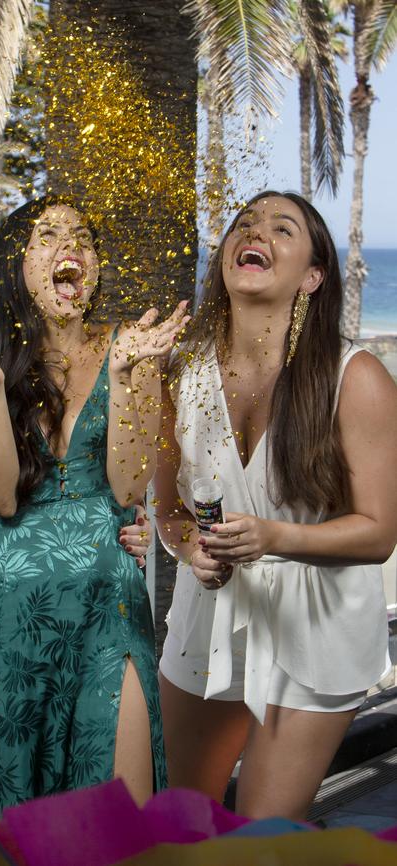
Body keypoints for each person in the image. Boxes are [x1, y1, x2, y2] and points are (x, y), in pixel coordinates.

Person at [0, 197, 189, 817]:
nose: (71, 245)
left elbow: (128, 489)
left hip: (109, 600)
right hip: (10, 613)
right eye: (48, 235)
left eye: (83, 237)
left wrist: (126, 381)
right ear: (16, 264)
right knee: (6, 826)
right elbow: (0, 496)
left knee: (116, 819)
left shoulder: (133, 349)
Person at [154, 191, 397, 821]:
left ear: (312, 276)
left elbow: (379, 534)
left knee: (260, 843)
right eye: (243, 223)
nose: (253, 232)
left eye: (281, 228)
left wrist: (273, 537)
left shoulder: (358, 378)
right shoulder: (179, 373)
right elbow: (168, 510)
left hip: (314, 632)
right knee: (184, 826)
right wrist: (192, 551)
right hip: (206, 618)